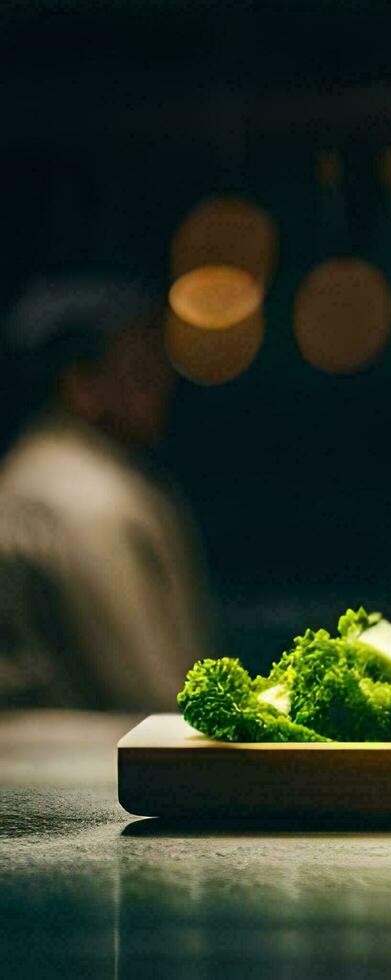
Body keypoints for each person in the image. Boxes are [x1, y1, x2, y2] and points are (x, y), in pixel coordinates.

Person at [0, 275, 213, 709]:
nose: (163, 385)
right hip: (81, 767)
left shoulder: (41, 469)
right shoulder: (89, 499)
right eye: (142, 369)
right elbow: (147, 691)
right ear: (82, 384)